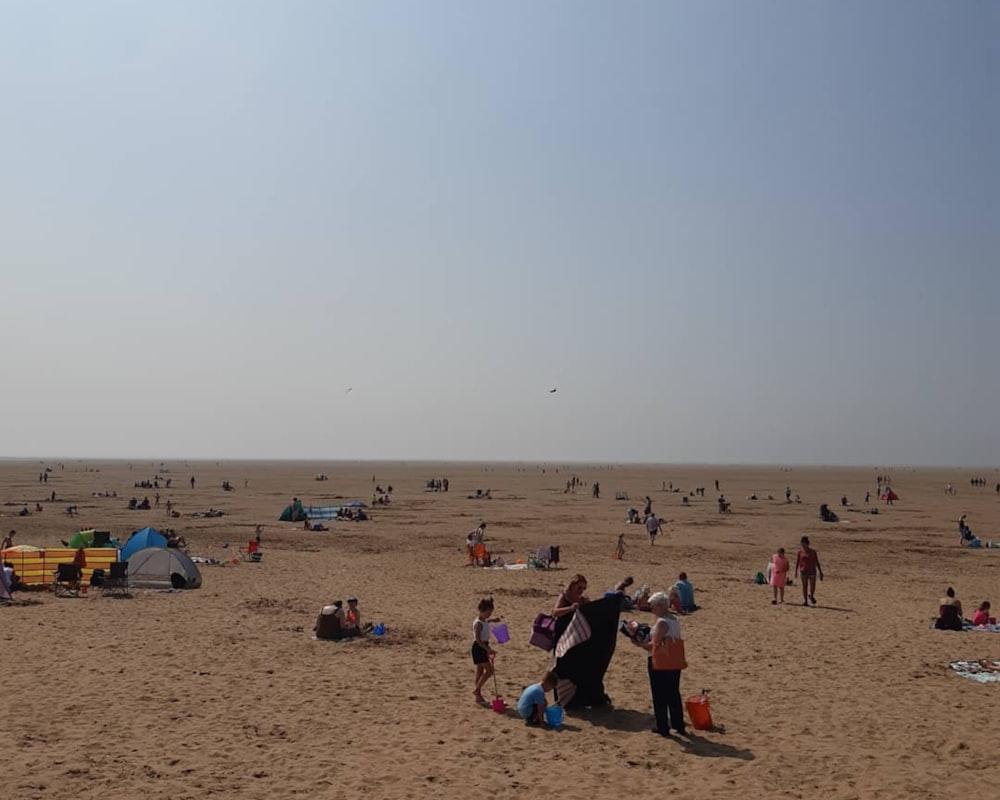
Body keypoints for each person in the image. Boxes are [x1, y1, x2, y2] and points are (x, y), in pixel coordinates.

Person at [632, 591, 686, 737]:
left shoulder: (662, 622)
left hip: (660, 661)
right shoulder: (674, 619)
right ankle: (678, 724)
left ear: (661, 606)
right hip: (674, 660)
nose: (652, 610)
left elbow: (652, 646)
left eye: (654, 607)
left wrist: (637, 643)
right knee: (673, 693)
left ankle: (662, 726)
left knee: (660, 694)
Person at [472, 597, 499, 705]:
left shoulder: (483, 620)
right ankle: (476, 691)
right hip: (479, 648)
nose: (489, 615)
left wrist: (493, 620)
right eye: (488, 613)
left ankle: (478, 696)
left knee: (480, 671)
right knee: (489, 671)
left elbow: (485, 621)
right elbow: (478, 640)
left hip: (483, 646)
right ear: (481, 611)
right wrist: (488, 649)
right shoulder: (478, 624)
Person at [795, 536, 823, 606]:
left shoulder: (813, 552)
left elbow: (817, 562)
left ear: (808, 544)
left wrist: (820, 572)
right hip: (803, 571)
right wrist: (796, 571)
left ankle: (811, 595)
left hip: (812, 571)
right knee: (804, 586)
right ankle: (805, 601)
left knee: (813, 585)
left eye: (804, 545)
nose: (803, 546)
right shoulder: (800, 552)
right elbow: (798, 562)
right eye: (802, 545)